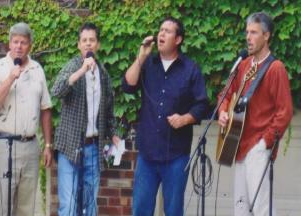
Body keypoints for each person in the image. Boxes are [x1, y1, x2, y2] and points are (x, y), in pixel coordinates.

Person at [122, 17, 208, 216]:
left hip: (176, 155)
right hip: (147, 154)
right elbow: (128, 85)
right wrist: (141, 57)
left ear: (178, 39)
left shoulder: (190, 69)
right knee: (141, 210)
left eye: (167, 31)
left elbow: (202, 104)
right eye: (160, 30)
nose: (161, 34)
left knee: (173, 211)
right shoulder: (148, 63)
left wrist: (185, 118)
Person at [218, 12, 292, 216]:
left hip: (258, 147)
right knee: (240, 209)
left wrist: (264, 143)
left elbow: (284, 112)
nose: (248, 37)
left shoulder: (276, 68)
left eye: (254, 32)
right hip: (239, 144)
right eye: (247, 32)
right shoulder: (243, 65)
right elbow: (225, 94)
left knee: (261, 208)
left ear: (266, 36)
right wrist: (223, 111)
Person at [51, 22, 121, 216]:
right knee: (70, 206)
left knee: (89, 206)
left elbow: (108, 110)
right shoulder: (72, 66)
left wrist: (114, 134)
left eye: (92, 40)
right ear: (79, 45)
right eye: (84, 40)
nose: (88, 44)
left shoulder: (104, 74)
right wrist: (82, 70)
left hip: (94, 147)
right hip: (70, 146)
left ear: (97, 45)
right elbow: (57, 91)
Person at [0, 22, 53, 216]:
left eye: (23, 42)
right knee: (1, 206)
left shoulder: (37, 69)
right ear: (9, 43)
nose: (18, 47)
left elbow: (46, 108)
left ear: (29, 45)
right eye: (15, 42)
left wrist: (47, 145)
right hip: (2, 144)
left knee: (25, 208)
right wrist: (10, 79)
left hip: (30, 147)